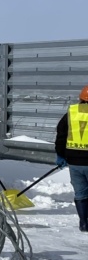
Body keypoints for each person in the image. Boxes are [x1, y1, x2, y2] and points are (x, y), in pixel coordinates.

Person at [55, 85, 88, 232]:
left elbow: (61, 134)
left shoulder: (72, 111)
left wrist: (60, 154)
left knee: (80, 193)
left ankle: (83, 222)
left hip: (74, 161)